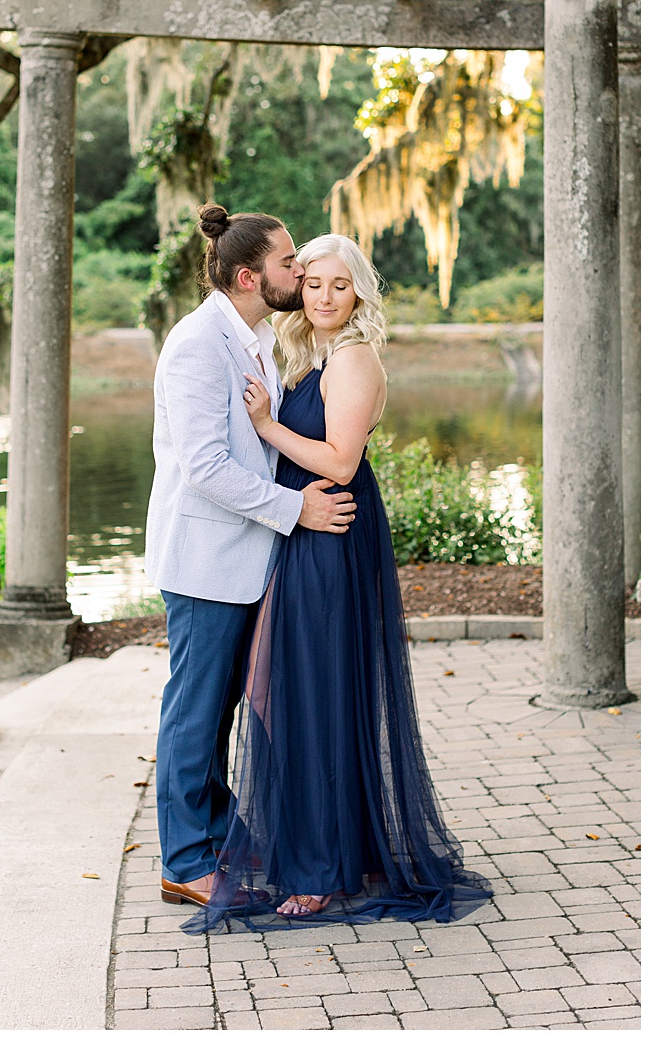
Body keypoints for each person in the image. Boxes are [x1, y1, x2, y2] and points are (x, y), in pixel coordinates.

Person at [187, 233, 492, 929]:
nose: (323, 296)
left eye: (338, 285)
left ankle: (323, 869)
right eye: (313, 282)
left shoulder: (354, 357)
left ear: (359, 293)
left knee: (314, 693)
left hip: (331, 531)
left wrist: (265, 424)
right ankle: (346, 846)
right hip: (303, 530)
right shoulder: (305, 351)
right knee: (291, 689)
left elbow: (341, 462)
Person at [144, 205, 359, 912]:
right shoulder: (197, 344)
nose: (299, 273)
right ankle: (184, 860)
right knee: (195, 712)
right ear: (248, 275)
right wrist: (296, 509)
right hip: (205, 559)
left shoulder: (261, 334)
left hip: (250, 557)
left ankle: (218, 832)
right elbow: (205, 465)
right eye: (289, 264)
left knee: (226, 704)